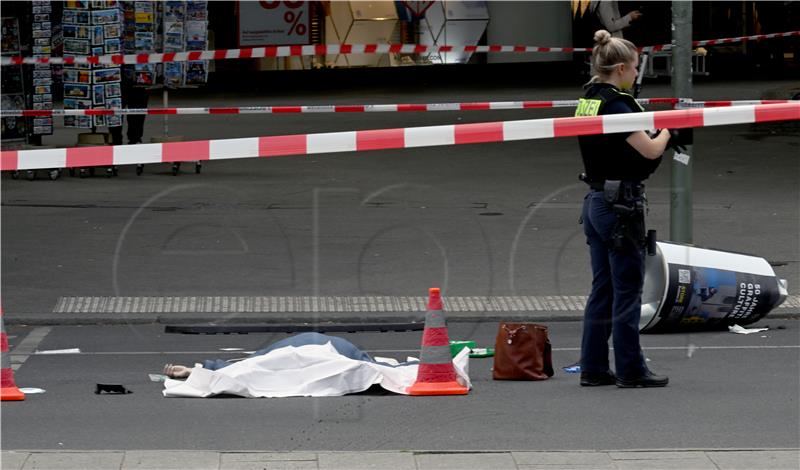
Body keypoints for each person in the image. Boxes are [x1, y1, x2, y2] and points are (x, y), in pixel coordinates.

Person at [575, 30, 671, 388]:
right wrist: (669, 130)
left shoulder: (588, 98)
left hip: (595, 200)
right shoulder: (619, 104)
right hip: (621, 205)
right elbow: (649, 150)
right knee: (628, 289)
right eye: (633, 68)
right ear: (618, 68)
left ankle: (594, 367)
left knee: (603, 289)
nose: (636, 74)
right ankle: (632, 369)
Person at [163, 332, 379, 379]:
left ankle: (200, 371)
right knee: (259, 366)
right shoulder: (347, 359)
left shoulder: (346, 354)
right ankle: (200, 371)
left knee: (257, 364)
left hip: (305, 345)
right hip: (308, 350)